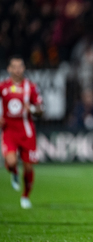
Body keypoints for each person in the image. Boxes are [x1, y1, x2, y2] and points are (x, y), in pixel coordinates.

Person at [0, 55, 43, 209]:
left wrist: (31, 108)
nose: (18, 69)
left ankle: (25, 196)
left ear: (24, 68)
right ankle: (14, 172)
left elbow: (40, 110)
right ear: (9, 69)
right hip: (9, 131)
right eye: (15, 66)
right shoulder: (3, 87)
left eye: (20, 66)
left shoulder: (30, 87)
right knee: (11, 162)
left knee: (29, 167)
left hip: (26, 132)